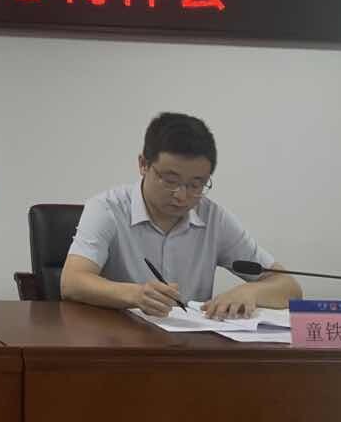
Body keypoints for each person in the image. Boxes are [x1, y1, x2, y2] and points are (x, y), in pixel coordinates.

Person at [60, 112, 300, 319]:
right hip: (118, 343)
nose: (182, 196)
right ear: (143, 164)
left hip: (189, 347)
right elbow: (72, 282)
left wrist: (249, 292)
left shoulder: (214, 219)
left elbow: (289, 287)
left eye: (196, 184)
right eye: (170, 180)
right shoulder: (107, 209)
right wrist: (135, 294)